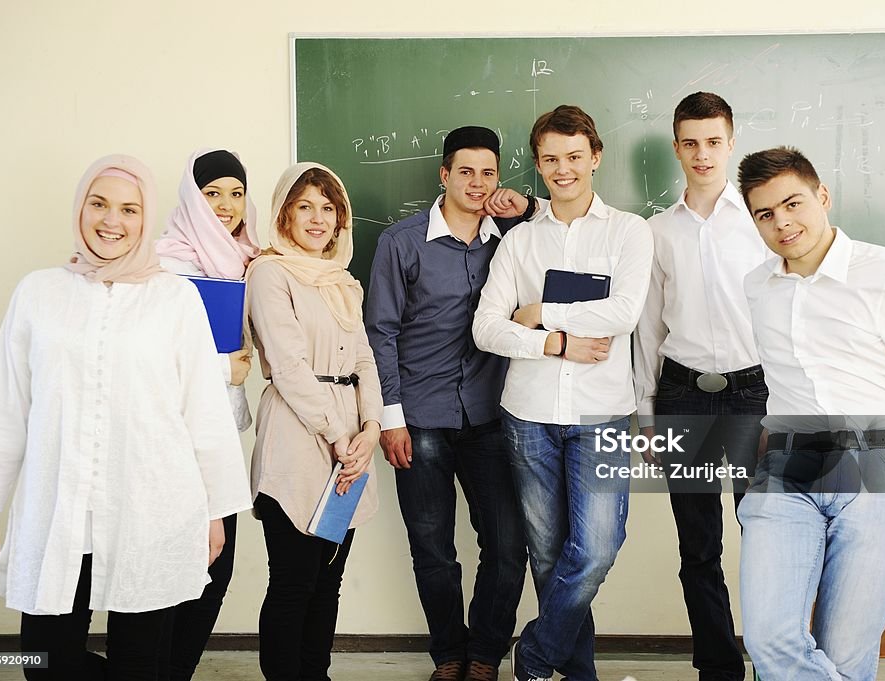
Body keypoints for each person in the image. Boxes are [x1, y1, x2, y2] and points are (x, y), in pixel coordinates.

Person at [0, 154, 251, 681]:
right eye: (99, 204)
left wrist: (214, 513)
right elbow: (3, 403)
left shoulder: (175, 299)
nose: (112, 221)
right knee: (44, 661)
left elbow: (204, 413)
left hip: (151, 509)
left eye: (129, 208)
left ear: (147, 219)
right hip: (59, 510)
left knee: (141, 663)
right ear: (80, 208)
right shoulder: (39, 293)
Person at [736, 146, 885, 680]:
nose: (782, 222)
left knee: (845, 654)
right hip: (787, 472)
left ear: (822, 196)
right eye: (765, 213)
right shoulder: (757, 287)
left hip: (879, 471)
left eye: (792, 203)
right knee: (769, 640)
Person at [472, 105, 653, 681]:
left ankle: (536, 653)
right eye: (550, 159)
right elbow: (486, 326)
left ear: (594, 157)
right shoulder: (519, 241)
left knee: (597, 547)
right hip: (528, 415)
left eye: (574, 157)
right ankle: (579, 675)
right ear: (539, 164)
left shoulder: (629, 231)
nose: (562, 169)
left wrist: (541, 313)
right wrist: (554, 344)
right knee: (549, 558)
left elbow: (624, 311)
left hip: (601, 413)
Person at [365, 126, 534, 681]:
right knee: (434, 549)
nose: (478, 183)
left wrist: (526, 206)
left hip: (490, 415)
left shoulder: (514, 239)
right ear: (444, 174)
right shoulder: (401, 242)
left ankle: (485, 653)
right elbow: (381, 332)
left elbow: (568, 227)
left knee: (509, 546)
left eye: (489, 173)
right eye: (466, 171)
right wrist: (390, 419)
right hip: (420, 417)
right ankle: (448, 655)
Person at [632, 92, 769, 681]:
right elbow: (647, 325)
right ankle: (718, 669)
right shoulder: (657, 232)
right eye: (690, 142)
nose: (702, 153)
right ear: (676, 148)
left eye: (713, 141)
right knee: (698, 548)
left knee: (767, 537)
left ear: (730, 142)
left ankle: (773, 659)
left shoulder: (763, 223)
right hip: (682, 394)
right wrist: (643, 410)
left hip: (754, 396)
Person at [245, 161, 382, 681]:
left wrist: (369, 430)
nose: (318, 218)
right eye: (305, 206)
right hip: (299, 438)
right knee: (293, 583)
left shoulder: (342, 281)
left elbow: (364, 359)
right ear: (284, 213)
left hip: (350, 441)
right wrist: (340, 435)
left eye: (329, 208)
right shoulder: (270, 273)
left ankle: (314, 673)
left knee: (329, 580)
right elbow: (287, 366)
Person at [155, 148, 261, 681]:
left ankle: (175, 670)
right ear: (191, 198)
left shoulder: (248, 258)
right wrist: (227, 369)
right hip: (172, 436)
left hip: (219, 434)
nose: (225, 205)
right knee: (182, 563)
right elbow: (154, 356)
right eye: (212, 193)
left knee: (215, 565)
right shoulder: (165, 263)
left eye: (236, 193)